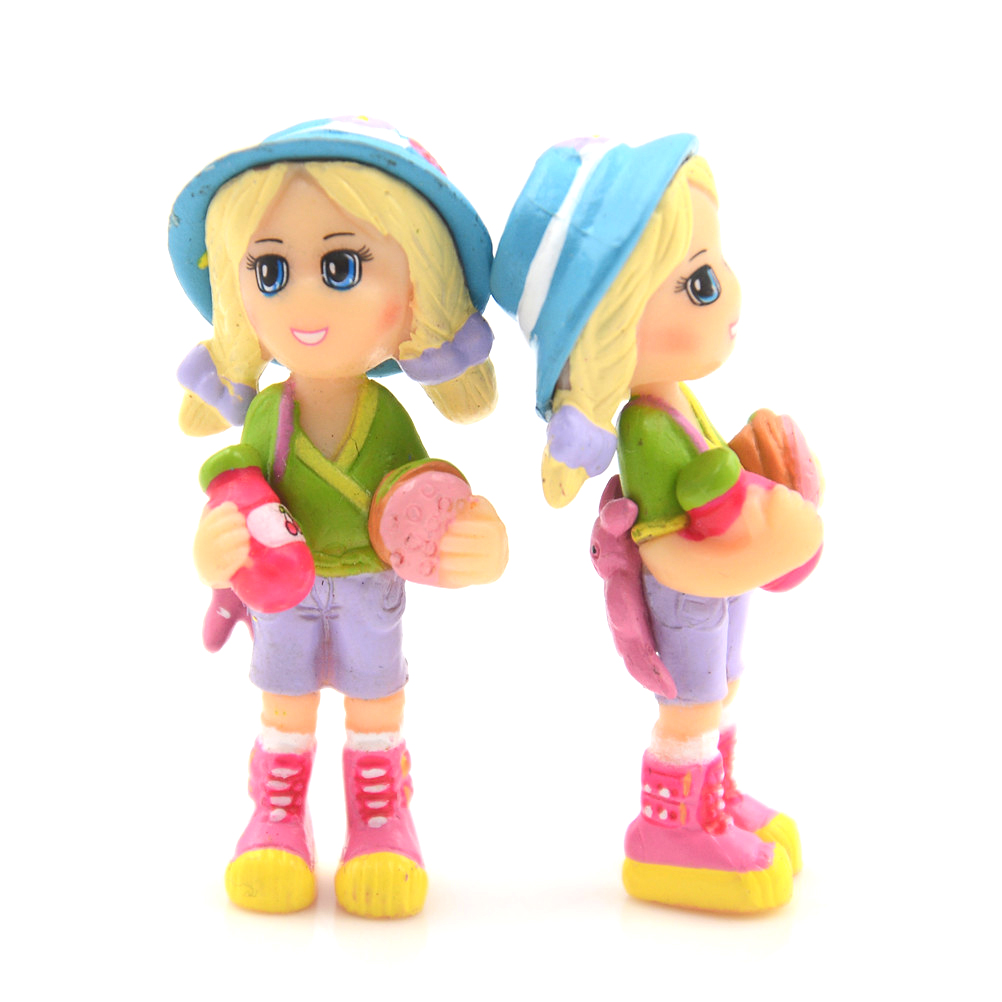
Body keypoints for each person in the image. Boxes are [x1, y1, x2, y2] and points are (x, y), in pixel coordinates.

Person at [169, 117, 508, 918]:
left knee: (376, 700)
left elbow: (427, 501)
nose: (306, 300)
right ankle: (278, 812)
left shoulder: (386, 419)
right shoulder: (267, 418)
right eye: (271, 270)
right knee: (283, 704)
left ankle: (380, 816)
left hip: (368, 588)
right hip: (281, 591)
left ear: (415, 291)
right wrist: (214, 550)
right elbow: (236, 491)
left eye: (342, 267)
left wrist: (475, 543)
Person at [491, 135, 823, 912]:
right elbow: (666, 544)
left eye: (717, 265)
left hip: (721, 584)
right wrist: (768, 537)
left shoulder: (677, 398)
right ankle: (670, 830)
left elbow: (713, 483)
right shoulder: (646, 426)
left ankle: (715, 801)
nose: (730, 293)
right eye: (699, 282)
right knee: (691, 703)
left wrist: (754, 476)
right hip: (687, 595)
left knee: (722, 686)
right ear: (613, 326)